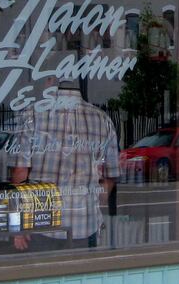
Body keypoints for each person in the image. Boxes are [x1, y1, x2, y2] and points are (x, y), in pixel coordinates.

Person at [8, 74, 119, 251]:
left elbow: (21, 172)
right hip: (86, 226)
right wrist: (95, 203)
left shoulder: (32, 115)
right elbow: (111, 176)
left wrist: (18, 224)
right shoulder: (102, 119)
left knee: (44, 276)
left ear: (51, 82)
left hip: (43, 224)